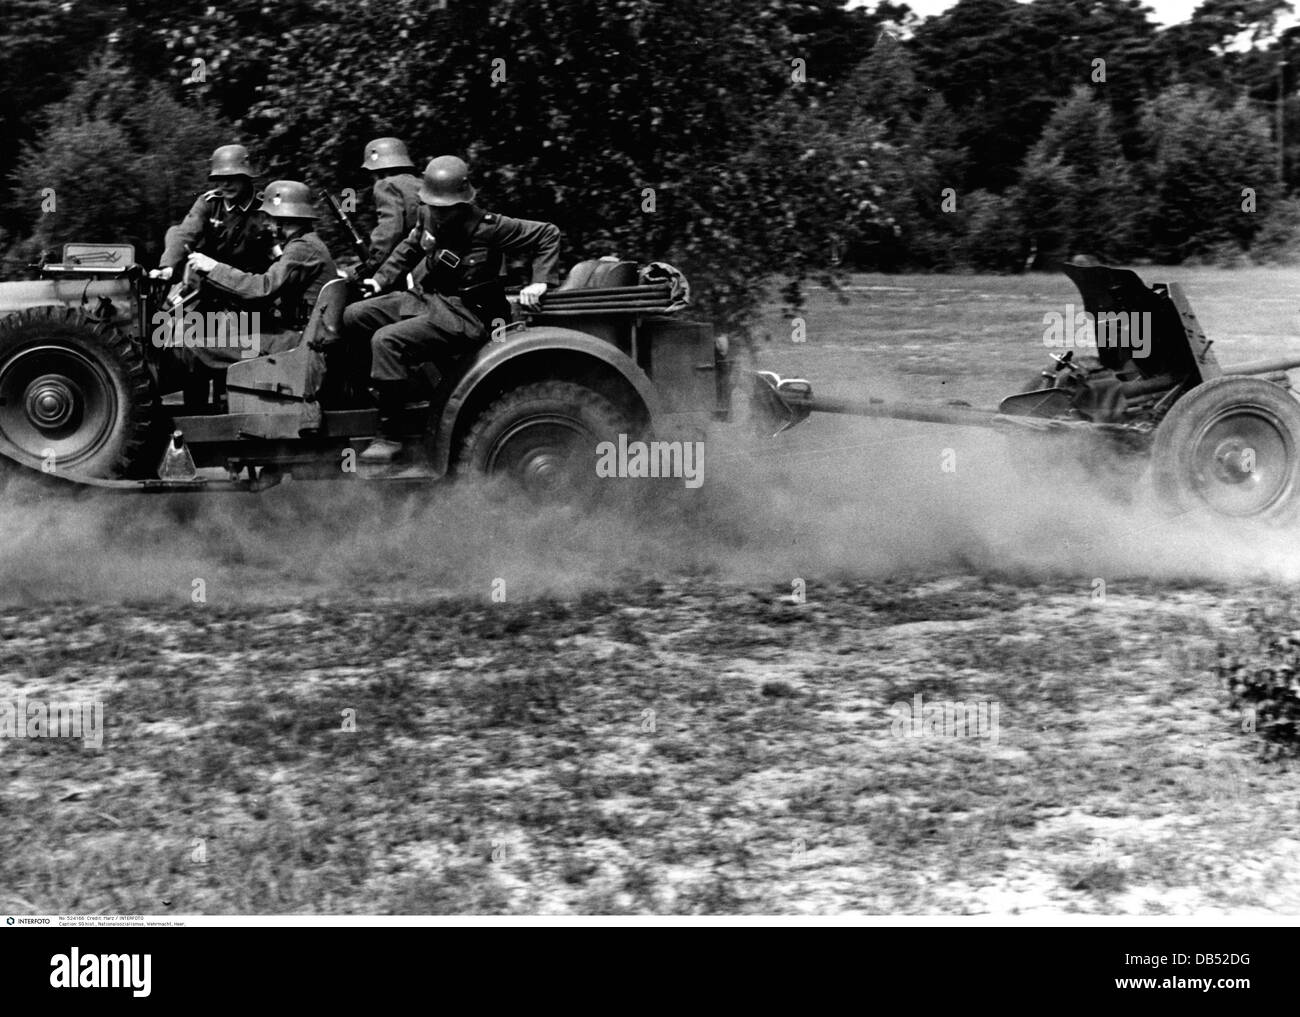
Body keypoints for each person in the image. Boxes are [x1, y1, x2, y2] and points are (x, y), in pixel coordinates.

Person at [342, 155, 560, 463]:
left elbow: (547, 234)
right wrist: (379, 281)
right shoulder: (426, 214)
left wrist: (540, 282)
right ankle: (397, 391)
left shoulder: (489, 227)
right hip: (427, 299)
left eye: (448, 207)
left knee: (385, 341)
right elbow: (409, 247)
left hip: (467, 314)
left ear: (463, 202)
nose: (440, 214)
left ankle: (390, 433)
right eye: (435, 205)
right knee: (354, 316)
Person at [175, 180, 337, 389]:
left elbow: (263, 288)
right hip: (301, 335)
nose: (266, 224)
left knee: (199, 348)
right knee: (224, 337)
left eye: (268, 218)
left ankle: (197, 413)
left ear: (283, 218)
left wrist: (213, 268)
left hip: (299, 340)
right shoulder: (307, 243)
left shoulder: (303, 248)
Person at [153, 144, 275, 281]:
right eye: (220, 178)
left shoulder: (265, 207)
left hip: (249, 282)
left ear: (246, 177)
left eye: (232, 177)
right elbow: (186, 233)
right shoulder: (209, 202)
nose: (226, 184)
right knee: (174, 231)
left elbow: (279, 250)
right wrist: (168, 266)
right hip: (211, 279)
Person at [360, 137, 422, 272]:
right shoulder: (420, 183)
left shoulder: (385, 185)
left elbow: (390, 231)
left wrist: (373, 263)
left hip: (405, 264)